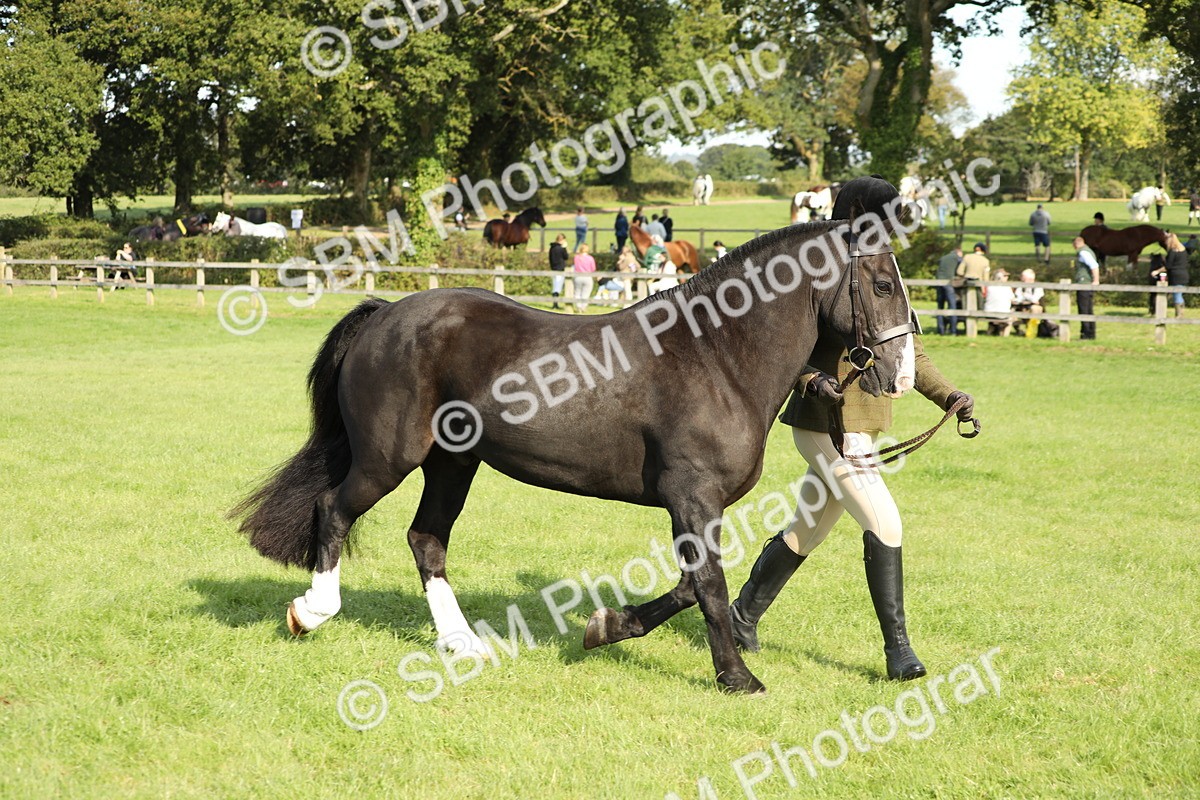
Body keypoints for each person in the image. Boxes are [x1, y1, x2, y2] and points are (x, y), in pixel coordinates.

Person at [728, 174, 976, 682]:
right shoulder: (815, 268)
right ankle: (898, 650)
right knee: (885, 523)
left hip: (865, 425)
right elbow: (772, 343)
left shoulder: (882, 268)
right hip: (828, 425)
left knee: (807, 530)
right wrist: (809, 378)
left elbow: (910, 350)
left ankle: (742, 615)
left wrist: (949, 396)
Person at [1073, 236, 1100, 340]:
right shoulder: (1088, 251)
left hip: (1084, 284)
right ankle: (1090, 334)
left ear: (1075, 244)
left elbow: (1094, 265)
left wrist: (1096, 280)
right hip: (1086, 283)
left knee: (1084, 310)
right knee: (1088, 309)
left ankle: (1086, 334)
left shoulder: (1083, 252)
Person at [935, 246, 962, 335]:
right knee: (952, 306)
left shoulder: (943, 257)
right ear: (959, 253)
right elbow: (961, 268)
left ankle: (941, 330)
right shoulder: (956, 257)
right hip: (948, 283)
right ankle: (953, 331)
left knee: (940, 307)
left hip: (938, 282)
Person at [956, 241, 990, 311]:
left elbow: (959, 271)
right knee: (979, 303)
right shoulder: (985, 261)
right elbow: (986, 278)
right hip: (979, 284)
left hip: (966, 282)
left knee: (965, 302)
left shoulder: (967, 257)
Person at [1162, 233, 1190, 317]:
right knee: (1179, 294)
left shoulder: (1172, 252)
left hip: (1176, 276)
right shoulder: (1184, 250)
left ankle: (1179, 315)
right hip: (1184, 274)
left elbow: (1168, 265)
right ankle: (1181, 312)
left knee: (1177, 295)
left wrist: (1161, 264)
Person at [982, 268, 1016, 335]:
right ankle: (1005, 335)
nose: (1007, 278)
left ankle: (990, 332)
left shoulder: (989, 287)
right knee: (1013, 316)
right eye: (1005, 276)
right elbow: (1013, 300)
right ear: (999, 277)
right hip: (1003, 315)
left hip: (988, 314)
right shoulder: (1007, 288)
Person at [1013, 268, 1045, 338]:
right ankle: (1018, 331)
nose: (1021, 279)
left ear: (1030, 279)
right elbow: (1018, 298)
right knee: (1011, 310)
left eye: (1024, 278)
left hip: (1036, 309)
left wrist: (1025, 295)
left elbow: (1034, 299)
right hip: (1022, 307)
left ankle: (1032, 333)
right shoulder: (1020, 287)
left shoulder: (1038, 287)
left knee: (1035, 308)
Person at [572, 243, 596, 312]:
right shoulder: (590, 258)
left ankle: (578, 306)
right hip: (587, 277)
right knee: (586, 293)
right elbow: (593, 269)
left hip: (578, 276)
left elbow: (575, 267)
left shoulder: (576, 257)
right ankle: (583, 306)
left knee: (577, 292)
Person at [548, 233, 569, 309]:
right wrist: (565, 248)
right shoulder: (561, 248)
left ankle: (555, 303)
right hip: (560, 269)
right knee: (558, 287)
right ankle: (555, 304)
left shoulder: (552, 248)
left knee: (555, 286)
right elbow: (566, 257)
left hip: (553, 269)